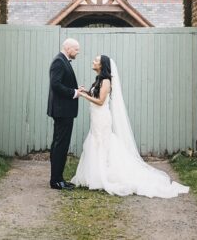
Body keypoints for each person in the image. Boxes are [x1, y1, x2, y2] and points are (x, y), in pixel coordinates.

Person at [71, 54, 190, 198]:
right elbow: (95, 96)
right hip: (96, 118)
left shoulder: (107, 81)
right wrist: (85, 91)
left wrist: (83, 96)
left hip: (102, 118)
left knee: (102, 143)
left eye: (96, 60)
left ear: (102, 65)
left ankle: (104, 175)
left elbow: (100, 101)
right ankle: (95, 175)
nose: (93, 61)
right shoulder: (99, 80)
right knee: (96, 143)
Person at [47, 37, 81, 190]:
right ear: (68, 48)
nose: (77, 52)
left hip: (63, 110)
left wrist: (76, 89)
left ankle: (58, 178)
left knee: (59, 144)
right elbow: (55, 85)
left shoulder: (63, 60)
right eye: (76, 49)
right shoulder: (59, 61)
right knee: (61, 145)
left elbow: (62, 83)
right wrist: (73, 92)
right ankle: (56, 180)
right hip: (62, 111)